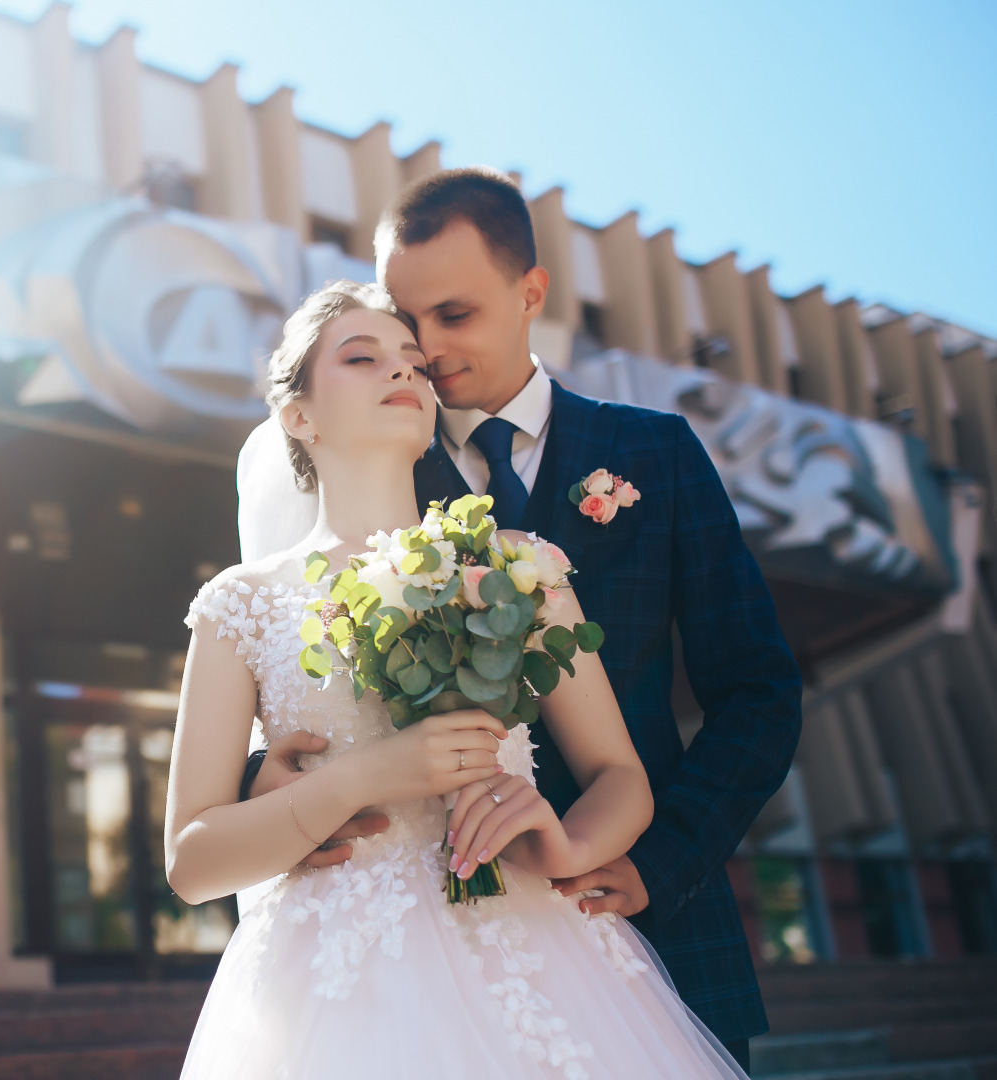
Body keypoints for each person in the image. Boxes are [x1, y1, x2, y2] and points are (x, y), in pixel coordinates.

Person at [234, 168, 803, 1072]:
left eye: (453, 314)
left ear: (530, 292)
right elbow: (291, 667)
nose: (422, 347)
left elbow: (758, 691)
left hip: (648, 914)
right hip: (428, 959)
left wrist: (661, 855)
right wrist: (273, 778)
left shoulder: (652, 451)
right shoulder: (375, 459)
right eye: (407, 317)